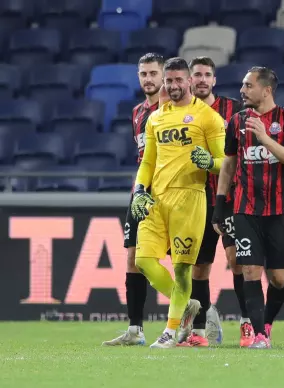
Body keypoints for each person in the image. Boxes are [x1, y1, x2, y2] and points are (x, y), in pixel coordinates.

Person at [131, 57, 227, 348]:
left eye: (177, 80)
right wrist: (139, 189)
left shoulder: (208, 117)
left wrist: (210, 162)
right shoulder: (156, 118)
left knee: (183, 268)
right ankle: (184, 305)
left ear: (189, 81)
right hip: (156, 199)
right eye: (168, 80)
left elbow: (227, 163)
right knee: (143, 261)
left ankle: (170, 332)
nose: (172, 86)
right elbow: (148, 161)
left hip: (190, 199)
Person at [213, 66, 284, 349]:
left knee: (278, 277)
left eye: (248, 85)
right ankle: (259, 335)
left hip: (281, 209)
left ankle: (266, 322)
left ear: (266, 90)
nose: (242, 90)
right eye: (242, 85)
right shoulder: (236, 121)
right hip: (245, 208)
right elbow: (228, 163)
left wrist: (265, 138)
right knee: (249, 270)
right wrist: (220, 203)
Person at [174, 56, 246, 347]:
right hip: (195, 199)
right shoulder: (179, 111)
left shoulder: (234, 110)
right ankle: (200, 332)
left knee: (238, 262)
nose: (202, 79)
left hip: (229, 197)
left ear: (214, 80)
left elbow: (245, 151)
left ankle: (248, 323)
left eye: (207, 74)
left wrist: (215, 162)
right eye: (197, 75)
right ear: (190, 80)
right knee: (199, 267)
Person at [103, 53, 163, 347]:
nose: (148, 79)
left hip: (171, 194)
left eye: (153, 73)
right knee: (132, 258)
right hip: (141, 194)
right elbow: (143, 158)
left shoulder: (174, 109)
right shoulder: (138, 112)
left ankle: (199, 315)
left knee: (180, 261)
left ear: (163, 76)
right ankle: (135, 329)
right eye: (144, 74)